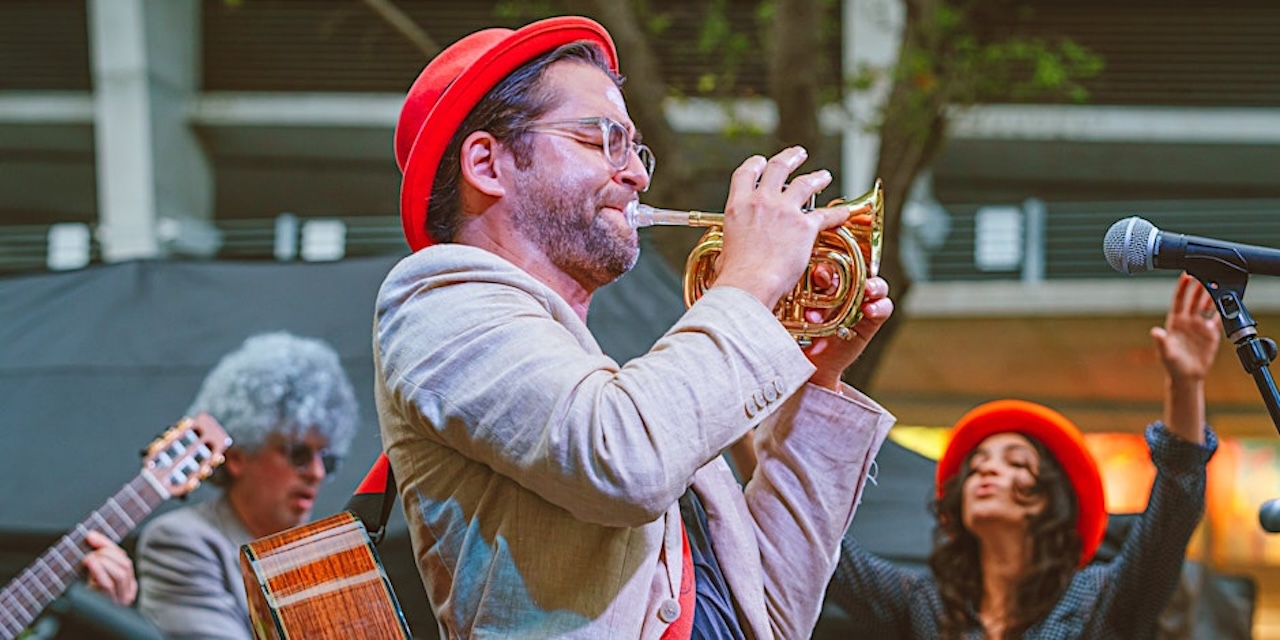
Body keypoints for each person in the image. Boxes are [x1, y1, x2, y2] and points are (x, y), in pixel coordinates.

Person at [375, 14, 896, 639]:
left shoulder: (624, 385)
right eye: (602, 139)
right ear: (487, 164)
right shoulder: (435, 300)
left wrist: (818, 380)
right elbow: (626, 464)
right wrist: (751, 282)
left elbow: (776, 615)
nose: (638, 175)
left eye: (635, 147)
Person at [827, 272, 1221, 639]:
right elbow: (821, 545)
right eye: (977, 465)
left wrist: (1185, 384)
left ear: (1049, 500)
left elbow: (1172, 515)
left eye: (1014, 462)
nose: (987, 472)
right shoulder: (930, 605)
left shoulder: (1095, 598)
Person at [134, 332, 359, 640]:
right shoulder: (180, 541)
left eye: (327, 459)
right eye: (299, 454)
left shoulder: (315, 559)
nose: (317, 473)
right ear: (238, 456)